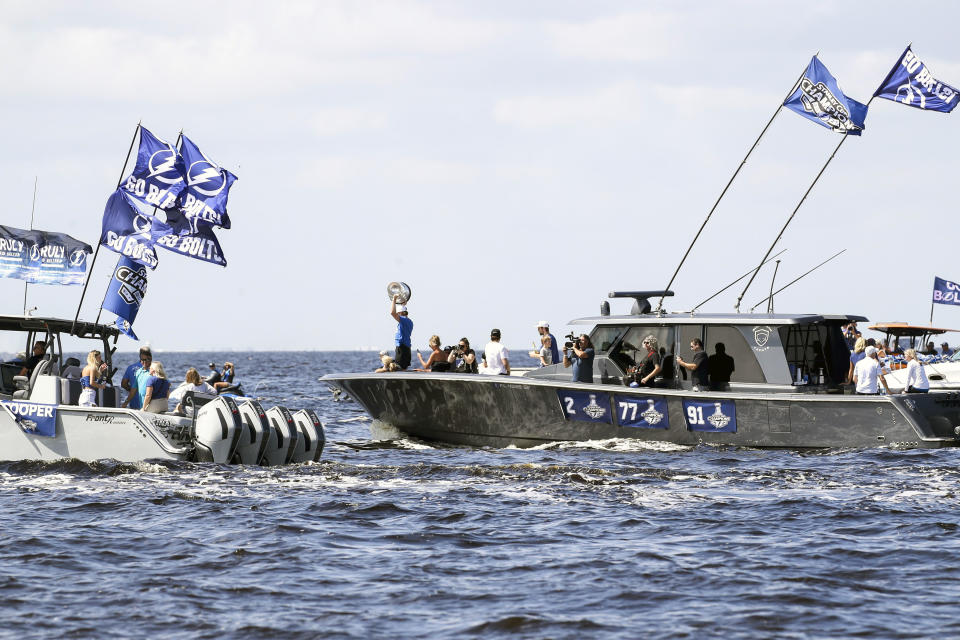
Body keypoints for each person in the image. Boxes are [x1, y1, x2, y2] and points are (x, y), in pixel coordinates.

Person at [390, 295, 413, 370]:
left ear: (400, 313)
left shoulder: (403, 320)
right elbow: (403, 313)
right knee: (403, 369)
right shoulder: (409, 321)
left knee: (398, 369)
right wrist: (403, 304)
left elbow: (392, 313)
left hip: (402, 349)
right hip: (406, 348)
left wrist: (394, 299)